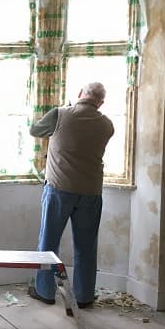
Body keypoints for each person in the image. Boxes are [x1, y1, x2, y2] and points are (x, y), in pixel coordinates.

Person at [28, 82, 114, 309]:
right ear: (101, 102)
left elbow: (35, 130)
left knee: (48, 242)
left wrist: (61, 109)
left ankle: (45, 292)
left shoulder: (61, 114)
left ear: (79, 94)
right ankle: (84, 297)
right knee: (86, 246)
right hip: (90, 191)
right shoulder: (107, 125)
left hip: (59, 188)